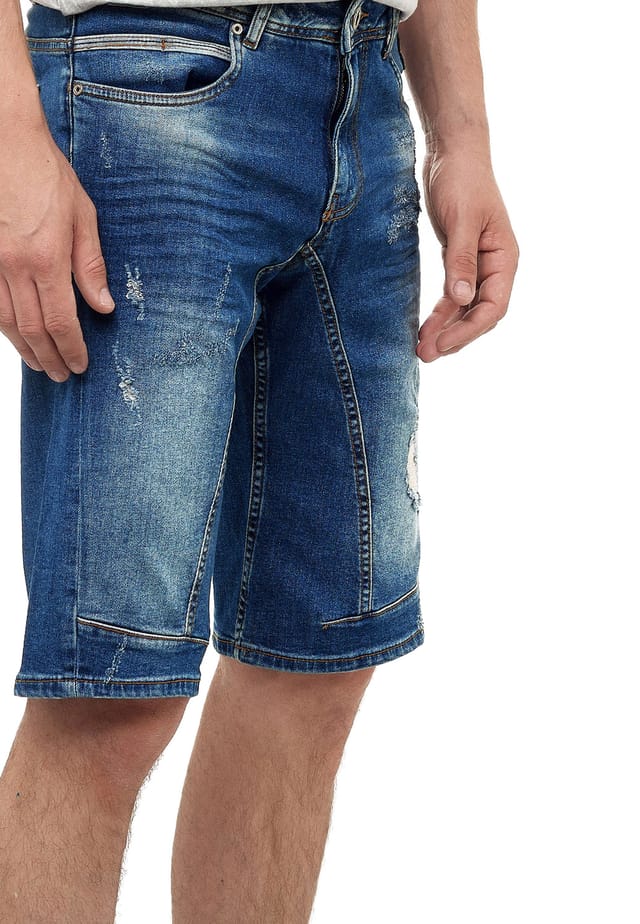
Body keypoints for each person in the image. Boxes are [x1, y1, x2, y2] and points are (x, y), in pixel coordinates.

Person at [0, 0, 519, 917]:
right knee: (108, 691)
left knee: (314, 664)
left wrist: (461, 138)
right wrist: (8, 141)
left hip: (366, 93)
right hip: (144, 84)